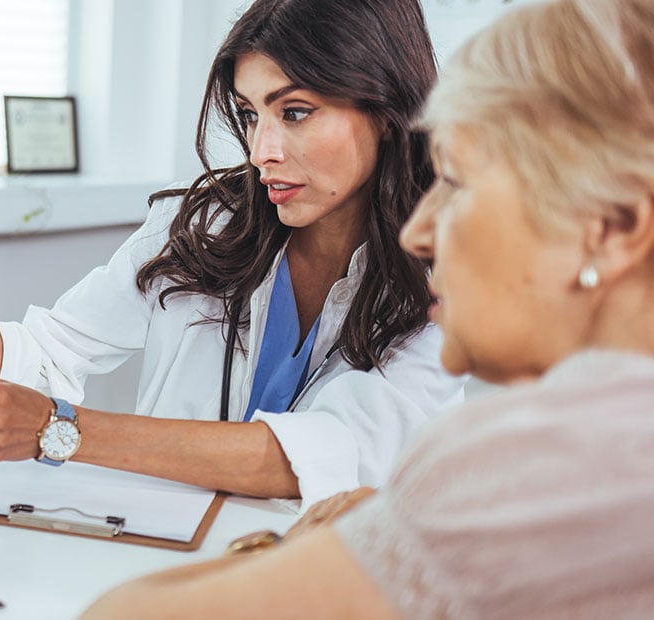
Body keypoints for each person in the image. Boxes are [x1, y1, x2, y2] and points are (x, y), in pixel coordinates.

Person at [83, 0, 654, 616]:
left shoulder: (537, 465)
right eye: (250, 116)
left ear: (615, 227)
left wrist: (325, 548)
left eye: (457, 184)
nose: (421, 232)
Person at [0, 0, 464, 506]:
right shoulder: (203, 225)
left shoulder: (451, 275)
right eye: (249, 114)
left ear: (385, 109)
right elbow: (42, 358)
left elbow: (319, 455)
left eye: (294, 112)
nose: (262, 150)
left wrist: (60, 431)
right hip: (156, 553)